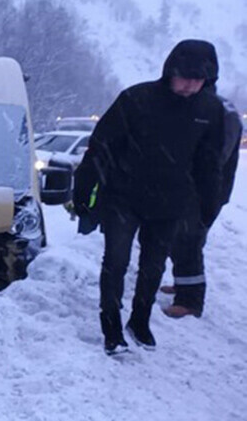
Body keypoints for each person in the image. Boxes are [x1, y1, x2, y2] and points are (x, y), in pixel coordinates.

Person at [73, 39, 224, 355]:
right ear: (170, 71)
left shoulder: (209, 111)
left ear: (208, 79)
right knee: (116, 261)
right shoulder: (137, 99)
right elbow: (101, 146)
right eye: (184, 76)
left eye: (197, 80)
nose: (188, 85)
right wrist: (84, 191)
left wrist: (208, 206)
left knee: (153, 266)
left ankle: (139, 320)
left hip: (170, 203)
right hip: (123, 197)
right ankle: (111, 326)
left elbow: (209, 164)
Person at [161, 51, 243, 318]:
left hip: (205, 189)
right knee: (180, 238)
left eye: (193, 77)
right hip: (188, 187)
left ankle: (190, 301)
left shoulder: (219, 110)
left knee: (188, 239)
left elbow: (216, 156)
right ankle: (183, 283)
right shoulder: (198, 105)